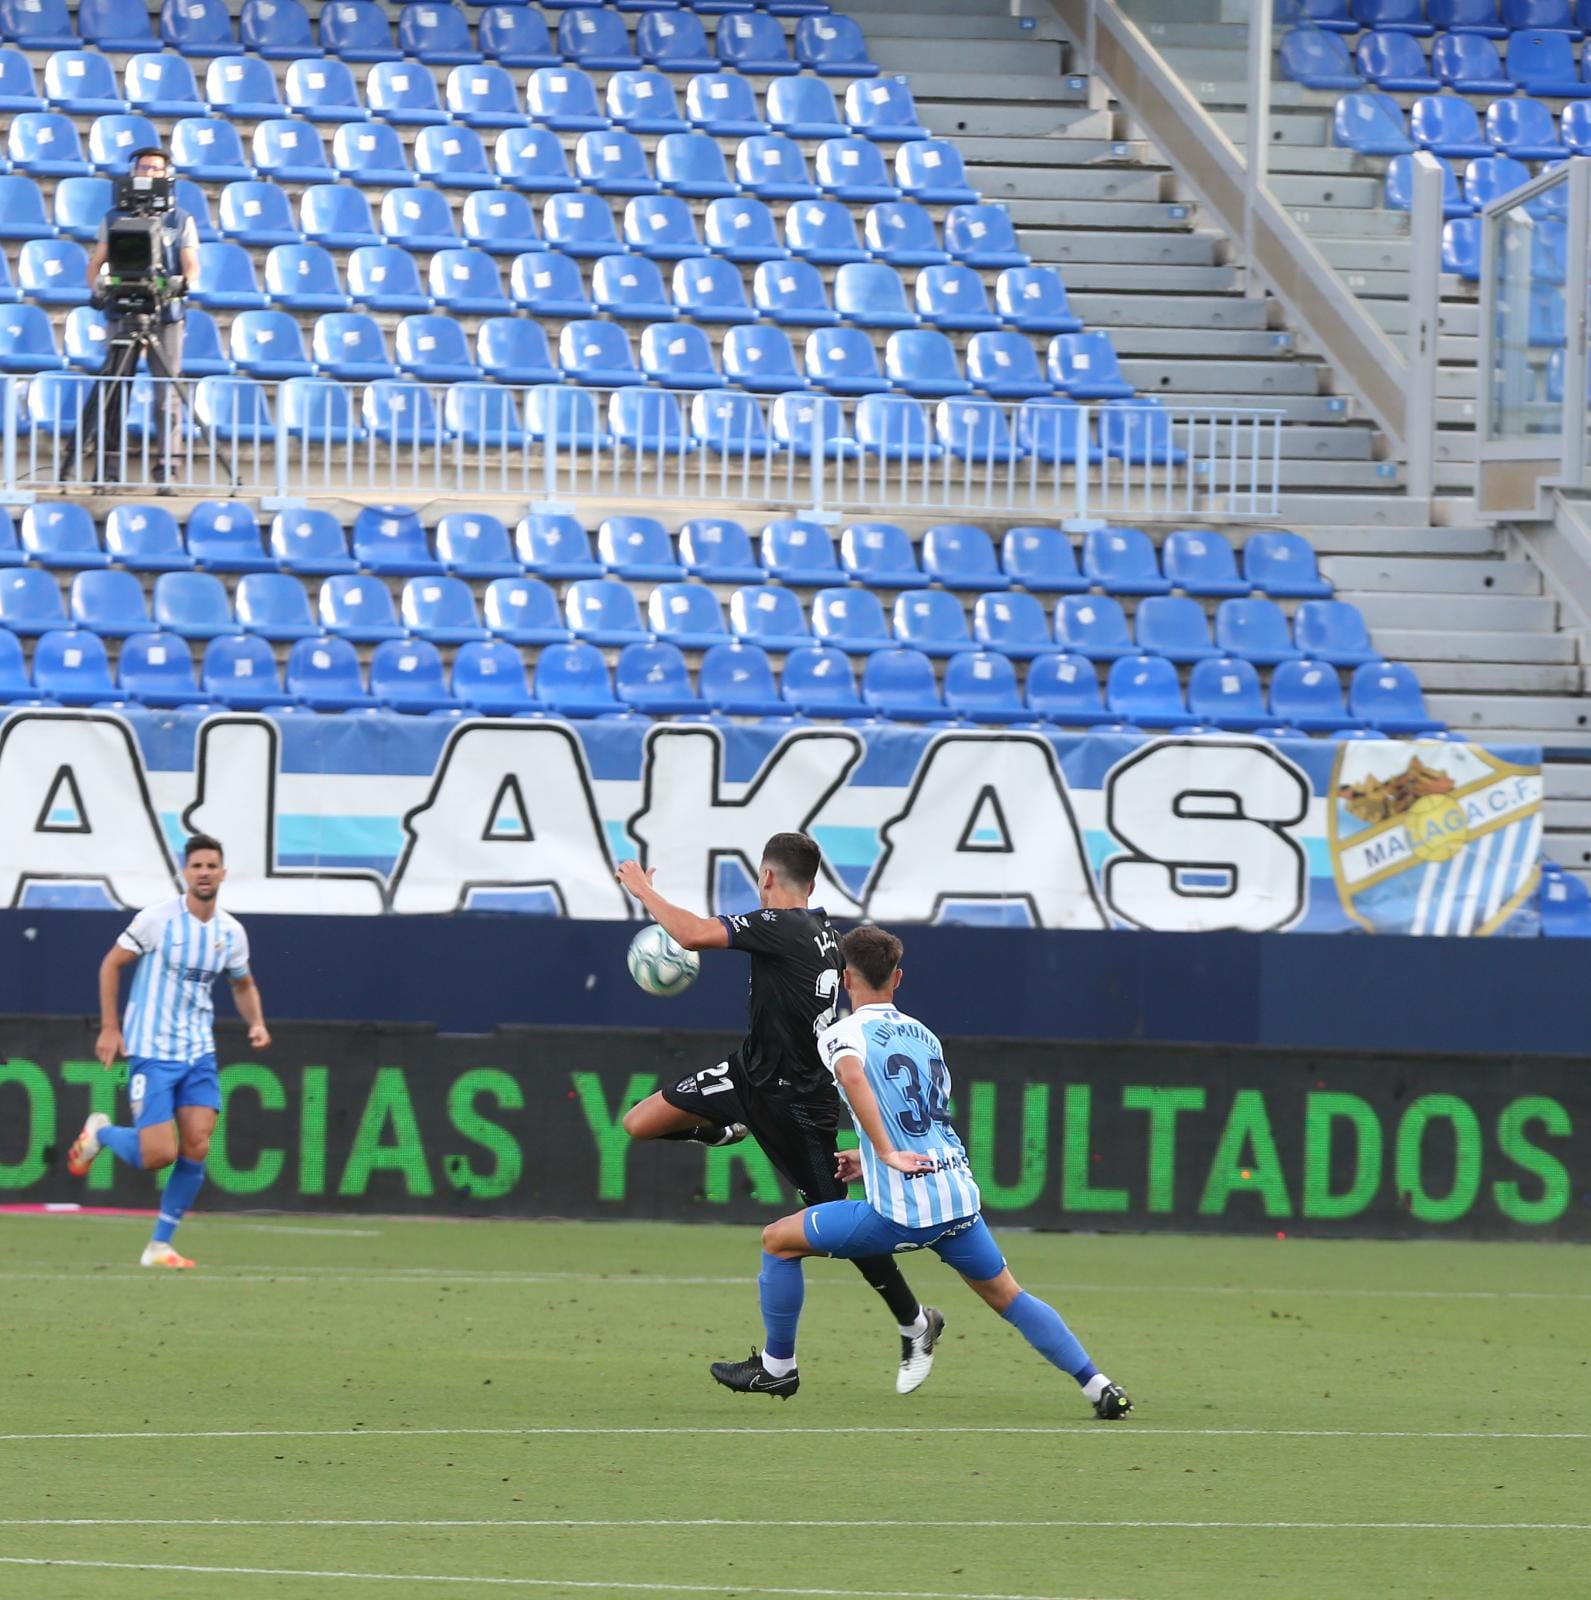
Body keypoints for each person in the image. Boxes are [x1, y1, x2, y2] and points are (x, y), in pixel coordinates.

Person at [709, 923, 1133, 1419]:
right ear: (898, 977)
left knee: (778, 1241)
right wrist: (870, 1162)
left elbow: (850, 1075)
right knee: (1010, 1296)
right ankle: (1100, 1387)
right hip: (956, 1195)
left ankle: (778, 1367)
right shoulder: (925, 1036)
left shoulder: (844, 1033)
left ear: (847, 979)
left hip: (904, 1212)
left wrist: (884, 1153)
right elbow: (926, 1123)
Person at [616, 832, 944, 1395]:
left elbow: (692, 934)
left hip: (799, 1103)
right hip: (747, 1077)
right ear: (811, 881)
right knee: (639, 1122)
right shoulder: (821, 932)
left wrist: (643, 889)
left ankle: (916, 1324)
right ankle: (725, 1128)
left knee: (842, 1228)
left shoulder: (784, 926)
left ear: (767, 877)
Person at [67, 834, 270, 1269]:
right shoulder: (158, 920)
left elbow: (242, 983)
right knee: (157, 1154)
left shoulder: (231, 932)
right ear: (185, 872)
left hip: (199, 1051)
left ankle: (159, 1245)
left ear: (223, 872)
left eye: (211, 865)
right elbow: (111, 964)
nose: (204, 873)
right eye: (196, 866)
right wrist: (109, 1026)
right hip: (152, 1050)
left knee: (196, 1144)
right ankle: (100, 1133)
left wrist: (255, 1022)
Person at [84, 147, 200, 483]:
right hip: (122, 310)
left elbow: (192, 266)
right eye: (142, 167)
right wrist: (100, 288)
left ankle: (169, 469)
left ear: (166, 175)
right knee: (115, 390)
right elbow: (97, 262)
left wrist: (179, 284)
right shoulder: (114, 217)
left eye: (154, 168)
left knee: (167, 397)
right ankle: (108, 468)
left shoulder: (180, 218)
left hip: (167, 314)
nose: (147, 173)